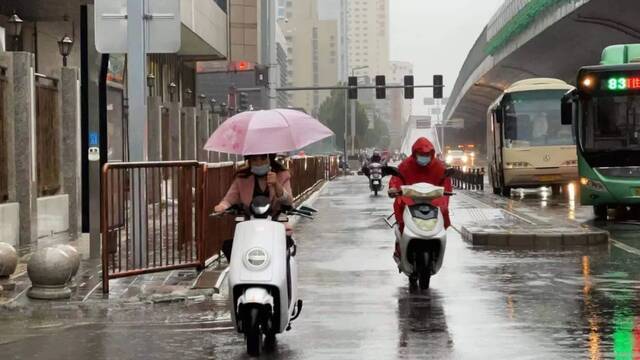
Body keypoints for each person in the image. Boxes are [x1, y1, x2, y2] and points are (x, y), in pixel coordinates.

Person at [214, 153, 294, 260]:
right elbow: (229, 199)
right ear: (249, 161)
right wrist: (221, 207)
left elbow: (288, 201)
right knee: (230, 247)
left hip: (276, 223)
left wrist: (276, 185)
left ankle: (285, 275)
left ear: (270, 159)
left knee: (283, 249)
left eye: (263, 158)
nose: (259, 162)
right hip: (250, 225)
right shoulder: (242, 178)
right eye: (255, 159)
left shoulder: (282, 175)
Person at [388, 137, 452, 236]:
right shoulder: (405, 165)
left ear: (431, 154)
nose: (424, 157)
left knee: (443, 209)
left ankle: (440, 233)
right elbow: (397, 178)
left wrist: (444, 194)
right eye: (421, 155)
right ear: (415, 154)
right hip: (410, 201)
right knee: (399, 204)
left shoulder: (438, 167)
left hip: (432, 201)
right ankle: (401, 236)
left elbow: (445, 182)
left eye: (427, 155)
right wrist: (393, 188)